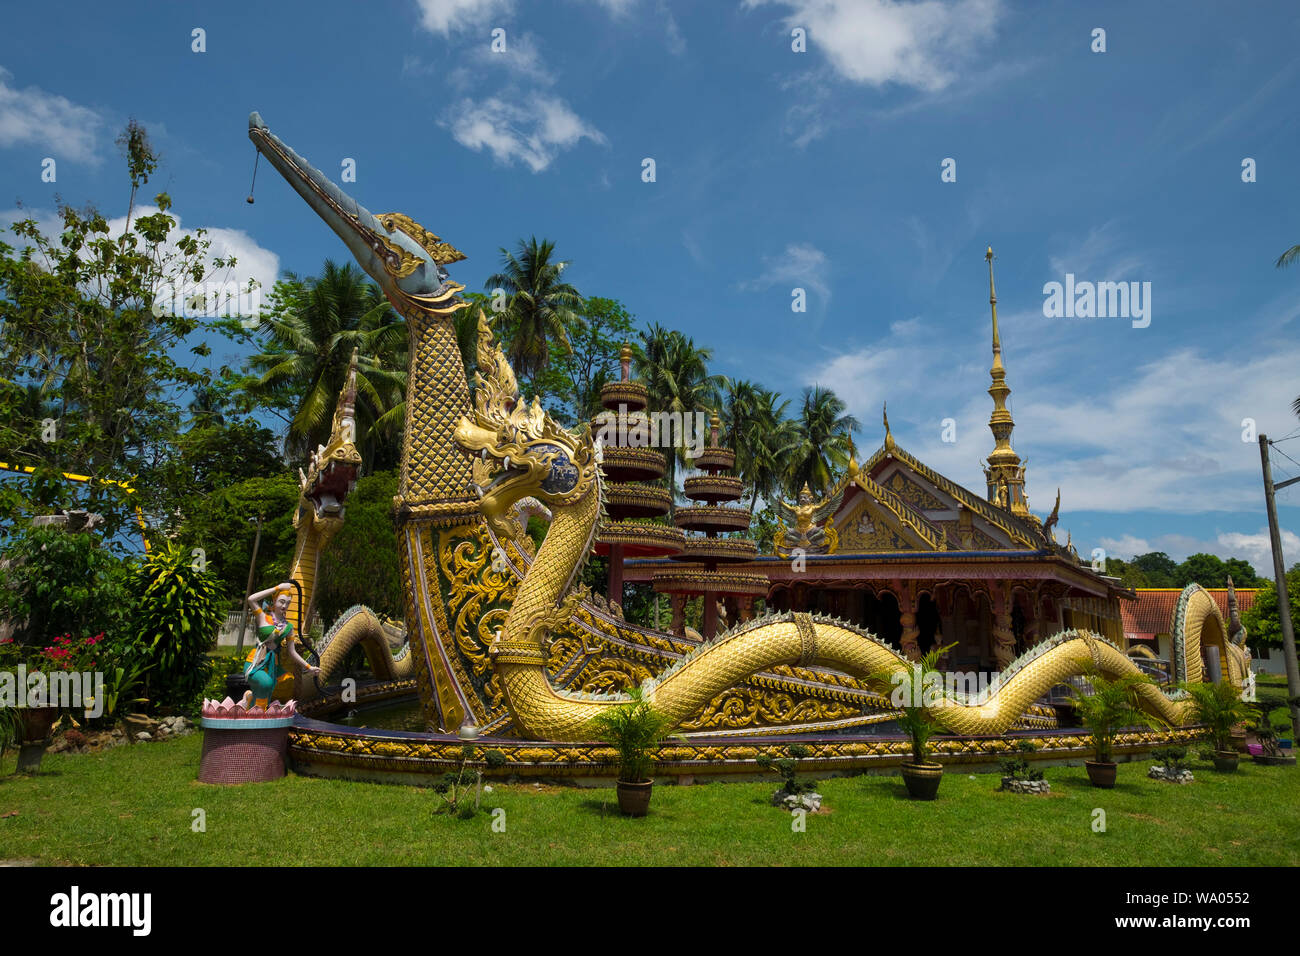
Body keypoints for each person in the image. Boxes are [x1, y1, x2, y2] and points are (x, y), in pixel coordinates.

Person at [243, 582, 320, 708]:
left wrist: (309, 667)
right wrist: (277, 588)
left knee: (267, 692)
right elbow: (251, 599)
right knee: (266, 683)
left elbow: (292, 652)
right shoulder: (263, 617)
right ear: (274, 600)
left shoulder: (288, 627)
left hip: (273, 665)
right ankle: (256, 710)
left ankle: (252, 704)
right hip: (255, 662)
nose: (285, 606)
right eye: (281, 601)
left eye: (288, 603)